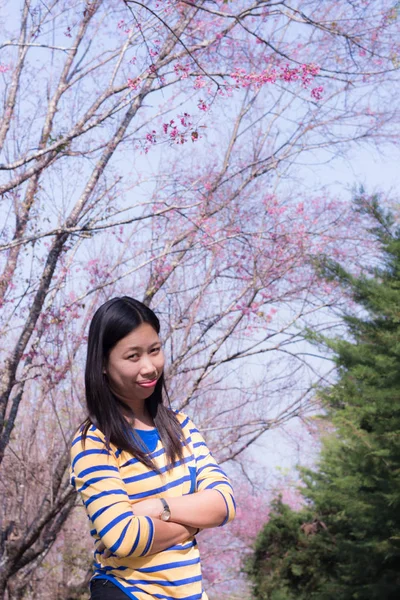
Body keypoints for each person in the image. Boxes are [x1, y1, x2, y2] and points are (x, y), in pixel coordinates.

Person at [70, 296, 236, 600]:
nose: (149, 367)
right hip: (127, 592)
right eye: (133, 356)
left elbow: (224, 503)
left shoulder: (182, 427)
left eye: (154, 351)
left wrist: (161, 508)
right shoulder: (94, 442)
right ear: (103, 365)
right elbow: (124, 537)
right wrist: (192, 527)